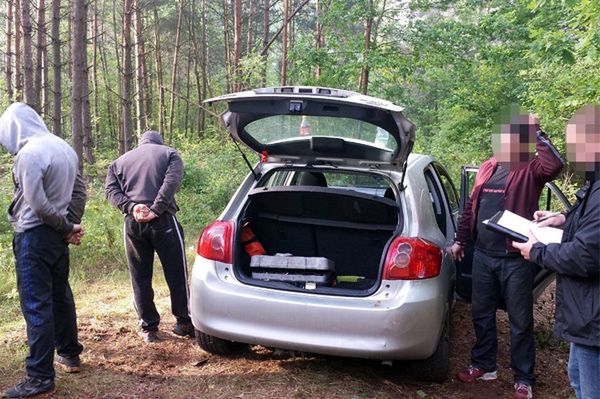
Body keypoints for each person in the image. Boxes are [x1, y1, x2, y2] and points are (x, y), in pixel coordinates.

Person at [449, 106, 564, 399]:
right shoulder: (487, 168)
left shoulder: (529, 167)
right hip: (483, 256)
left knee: (520, 322)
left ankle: (523, 378)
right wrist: (461, 240)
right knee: (481, 314)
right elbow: (470, 210)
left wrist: (536, 131)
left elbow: (555, 166)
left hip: (516, 258)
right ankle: (484, 365)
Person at [0, 103, 87, 398]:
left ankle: (39, 377)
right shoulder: (63, 147)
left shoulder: (29, 154)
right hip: (55, 239)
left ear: (13, 129)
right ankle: (69, 354)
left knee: (37, 306)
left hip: (33, 237)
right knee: (60, 296)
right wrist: (71, 224)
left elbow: (36, 205)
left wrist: (65, 227)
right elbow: (80, 190)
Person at [513, 105, 600, 399]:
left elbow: (586, 256)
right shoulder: (594, 184)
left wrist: (537, 252)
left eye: (576, 144)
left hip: (594, 318)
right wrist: (562, 219)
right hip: (586, 318)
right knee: (578, 382)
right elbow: (589, 227)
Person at [105, 130, 193, 343]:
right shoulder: (170, 154)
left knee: (139, 276)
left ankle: (148, 327)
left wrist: (132, 207)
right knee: (176, 273)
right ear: (159, 142)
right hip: (163, 221)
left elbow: (110, 191)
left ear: (140, 143)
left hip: (133, 224)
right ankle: (183, 322)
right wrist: (156, 209)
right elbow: (171, 182)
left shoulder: (118, 162)